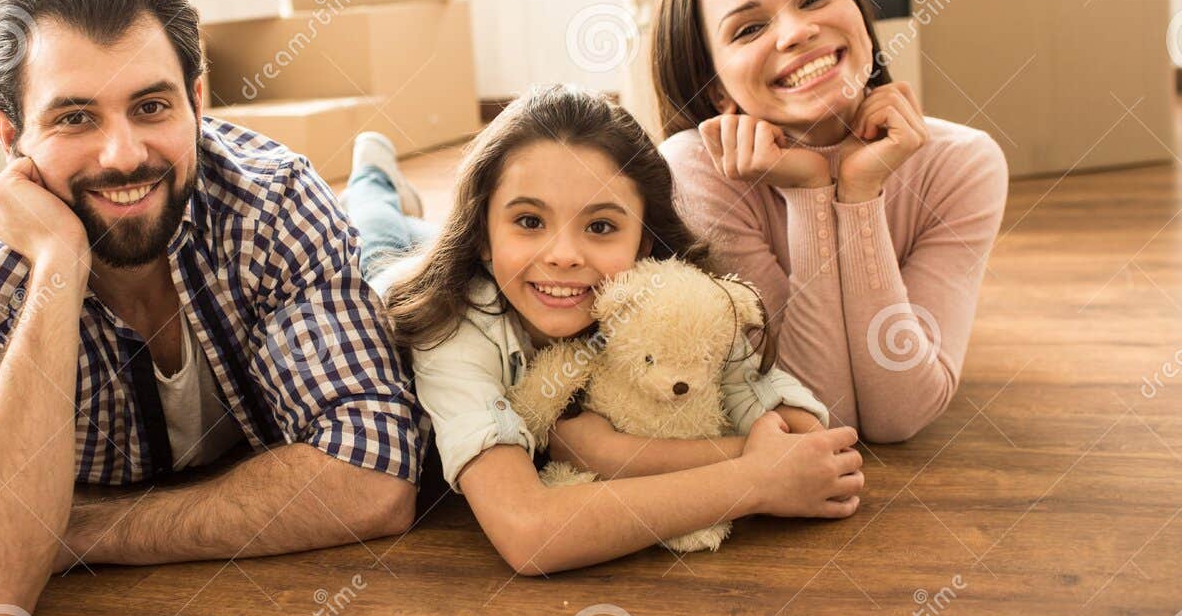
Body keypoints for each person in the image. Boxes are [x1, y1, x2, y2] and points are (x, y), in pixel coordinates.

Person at [0, 0, 421, 616]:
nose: (123, 154)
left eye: (150, 106)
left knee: (387, 247)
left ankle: (374, 178)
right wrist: (58, 266)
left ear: (197, 101)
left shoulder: (276, 199)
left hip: (372, 252)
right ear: (9, 135)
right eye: (74, 118)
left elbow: (378, 481)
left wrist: (73, 532)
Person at [343, 86, 866, 576]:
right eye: (529, 220)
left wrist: (617, 455)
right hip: (389, 277)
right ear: (483, 234)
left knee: (416, 234)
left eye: (600, 227)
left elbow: (806, 442)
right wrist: (754, 479)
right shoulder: (451, 326)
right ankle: (373, 171)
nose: (564, 255)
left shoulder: (670, 300)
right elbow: (529, 532)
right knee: (373, 227)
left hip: (502, 268)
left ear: (644, 243)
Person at [650, 0, 1009, 442]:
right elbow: (821, 411)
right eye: (749, 29)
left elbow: (899, 415)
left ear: (861, 18)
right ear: (717, 91)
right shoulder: (695, 171)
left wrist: (860, 194)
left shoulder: (963, 163)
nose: (797, 32)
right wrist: (809, 193)